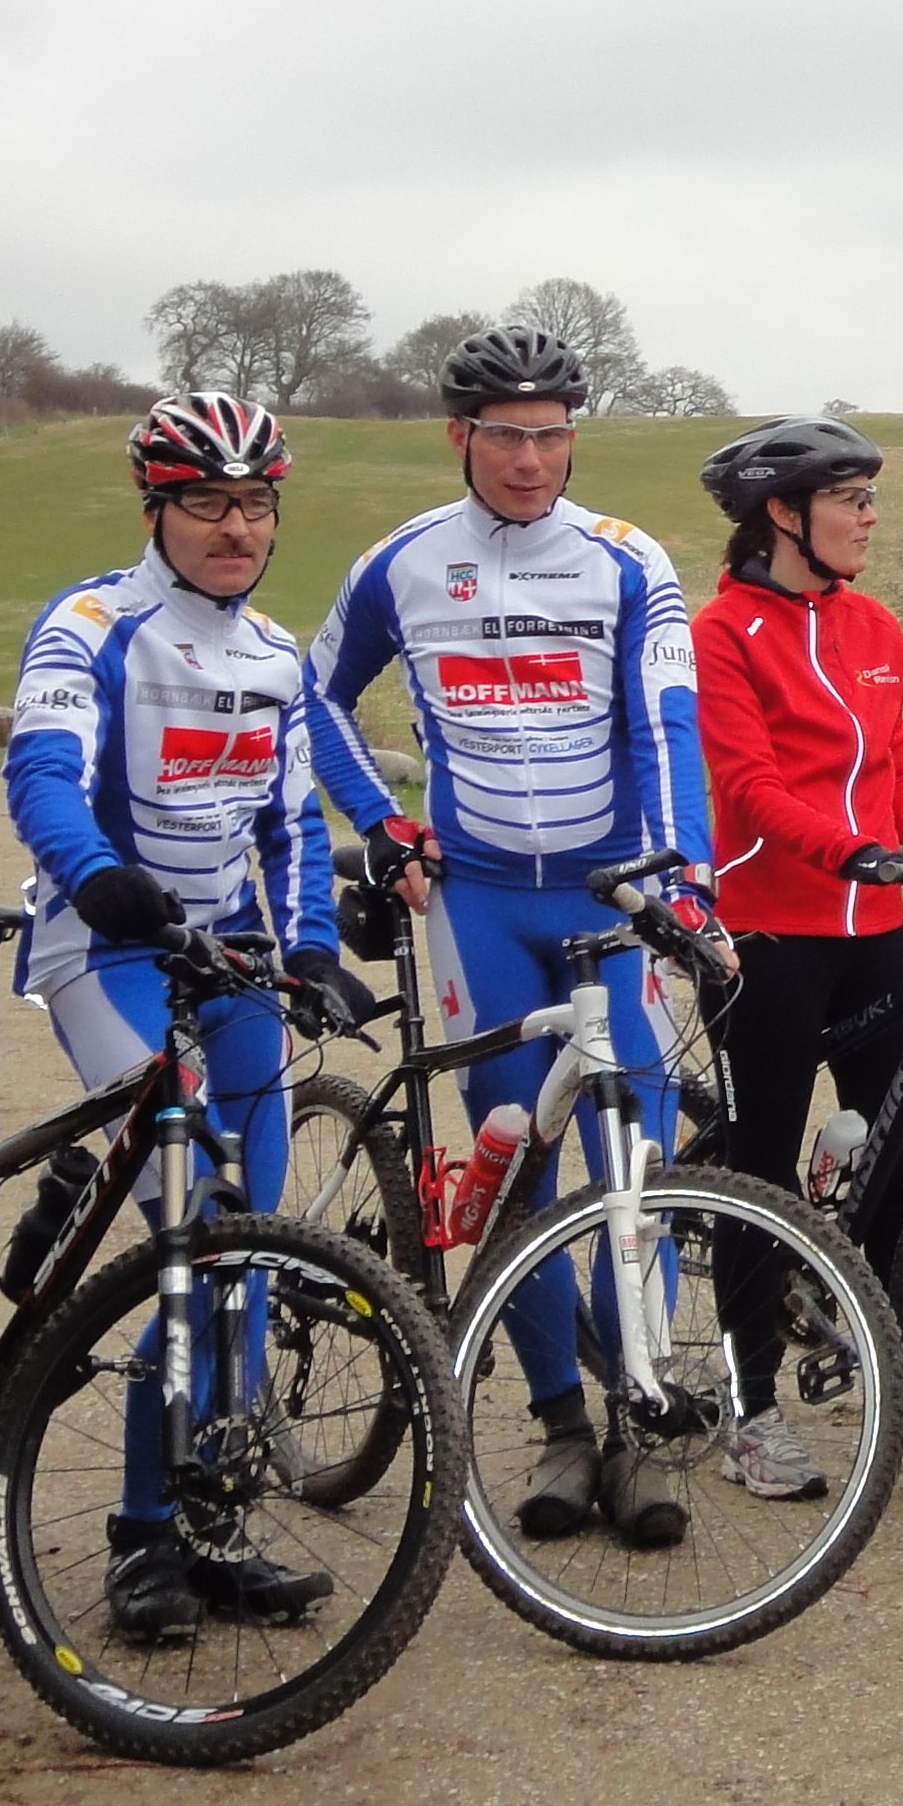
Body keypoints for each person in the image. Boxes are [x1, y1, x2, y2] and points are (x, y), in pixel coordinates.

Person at [304, 323, 711, 1546]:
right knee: (515, 1166)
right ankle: (560, 1426)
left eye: (551, 435)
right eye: (505, 437)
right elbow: (314, 696)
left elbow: (667, 725)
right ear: (459, 437)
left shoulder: (628, 560)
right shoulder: (401, 563)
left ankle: (639, 1423)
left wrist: (683, 882)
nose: (531, 460)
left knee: (635, 1165)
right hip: (478, 904)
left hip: (606, 900)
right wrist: (380, 821)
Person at [4, 393, 361, 1642]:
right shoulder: (91, 625)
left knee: (248, 1245)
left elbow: (295, 824)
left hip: (226, 956)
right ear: (155, 507)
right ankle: (143, 1538)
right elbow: (41, 776)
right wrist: (97, 875)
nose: (236, 527)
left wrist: (311, 950)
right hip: (106, 947)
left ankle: (213, 1517)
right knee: (196, 1222)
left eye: (256, 503)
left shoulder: (274, 654)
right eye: (208, 501)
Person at [689, 413, 903, 1498]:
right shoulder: (722, 632)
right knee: (759, 1173)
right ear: (783, 513)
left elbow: (894, 783)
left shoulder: (875, 628)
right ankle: (752, 1409)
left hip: (874, 935)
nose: (869, 517)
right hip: (768, 935)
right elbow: (750, 787)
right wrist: (850, 850)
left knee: (899, 1175)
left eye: (872, 498)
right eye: (850, 499)